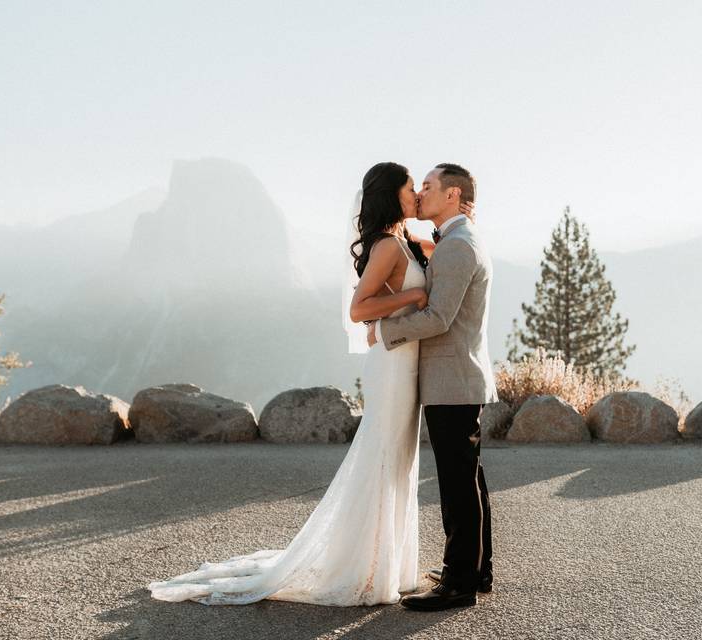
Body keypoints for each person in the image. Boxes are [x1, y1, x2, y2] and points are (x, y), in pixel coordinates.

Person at [146, 161, 470, 606]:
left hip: (409, 362)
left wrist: (451, 228)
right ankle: (367, 568)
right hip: (394, 366)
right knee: (383, 456)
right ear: (392, 195)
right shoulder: (387, 248)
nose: (417, 195)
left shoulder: (407, 242)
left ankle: (390, 564)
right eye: (412, 188)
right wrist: (415, 297)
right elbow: (360, 310)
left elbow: (449, 263)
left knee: (400, 462)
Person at [368, 163, 497, 611]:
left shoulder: (457, 247)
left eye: (427, 186)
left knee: (458, 483)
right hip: (457, 377)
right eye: (416, 187)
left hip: (452, 379)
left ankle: (459, 584)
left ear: (453, 196)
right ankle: (476, 571)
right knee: (468, 479)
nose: (420, 193)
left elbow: (439, 318)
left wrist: (385, 332)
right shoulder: (456, 241)